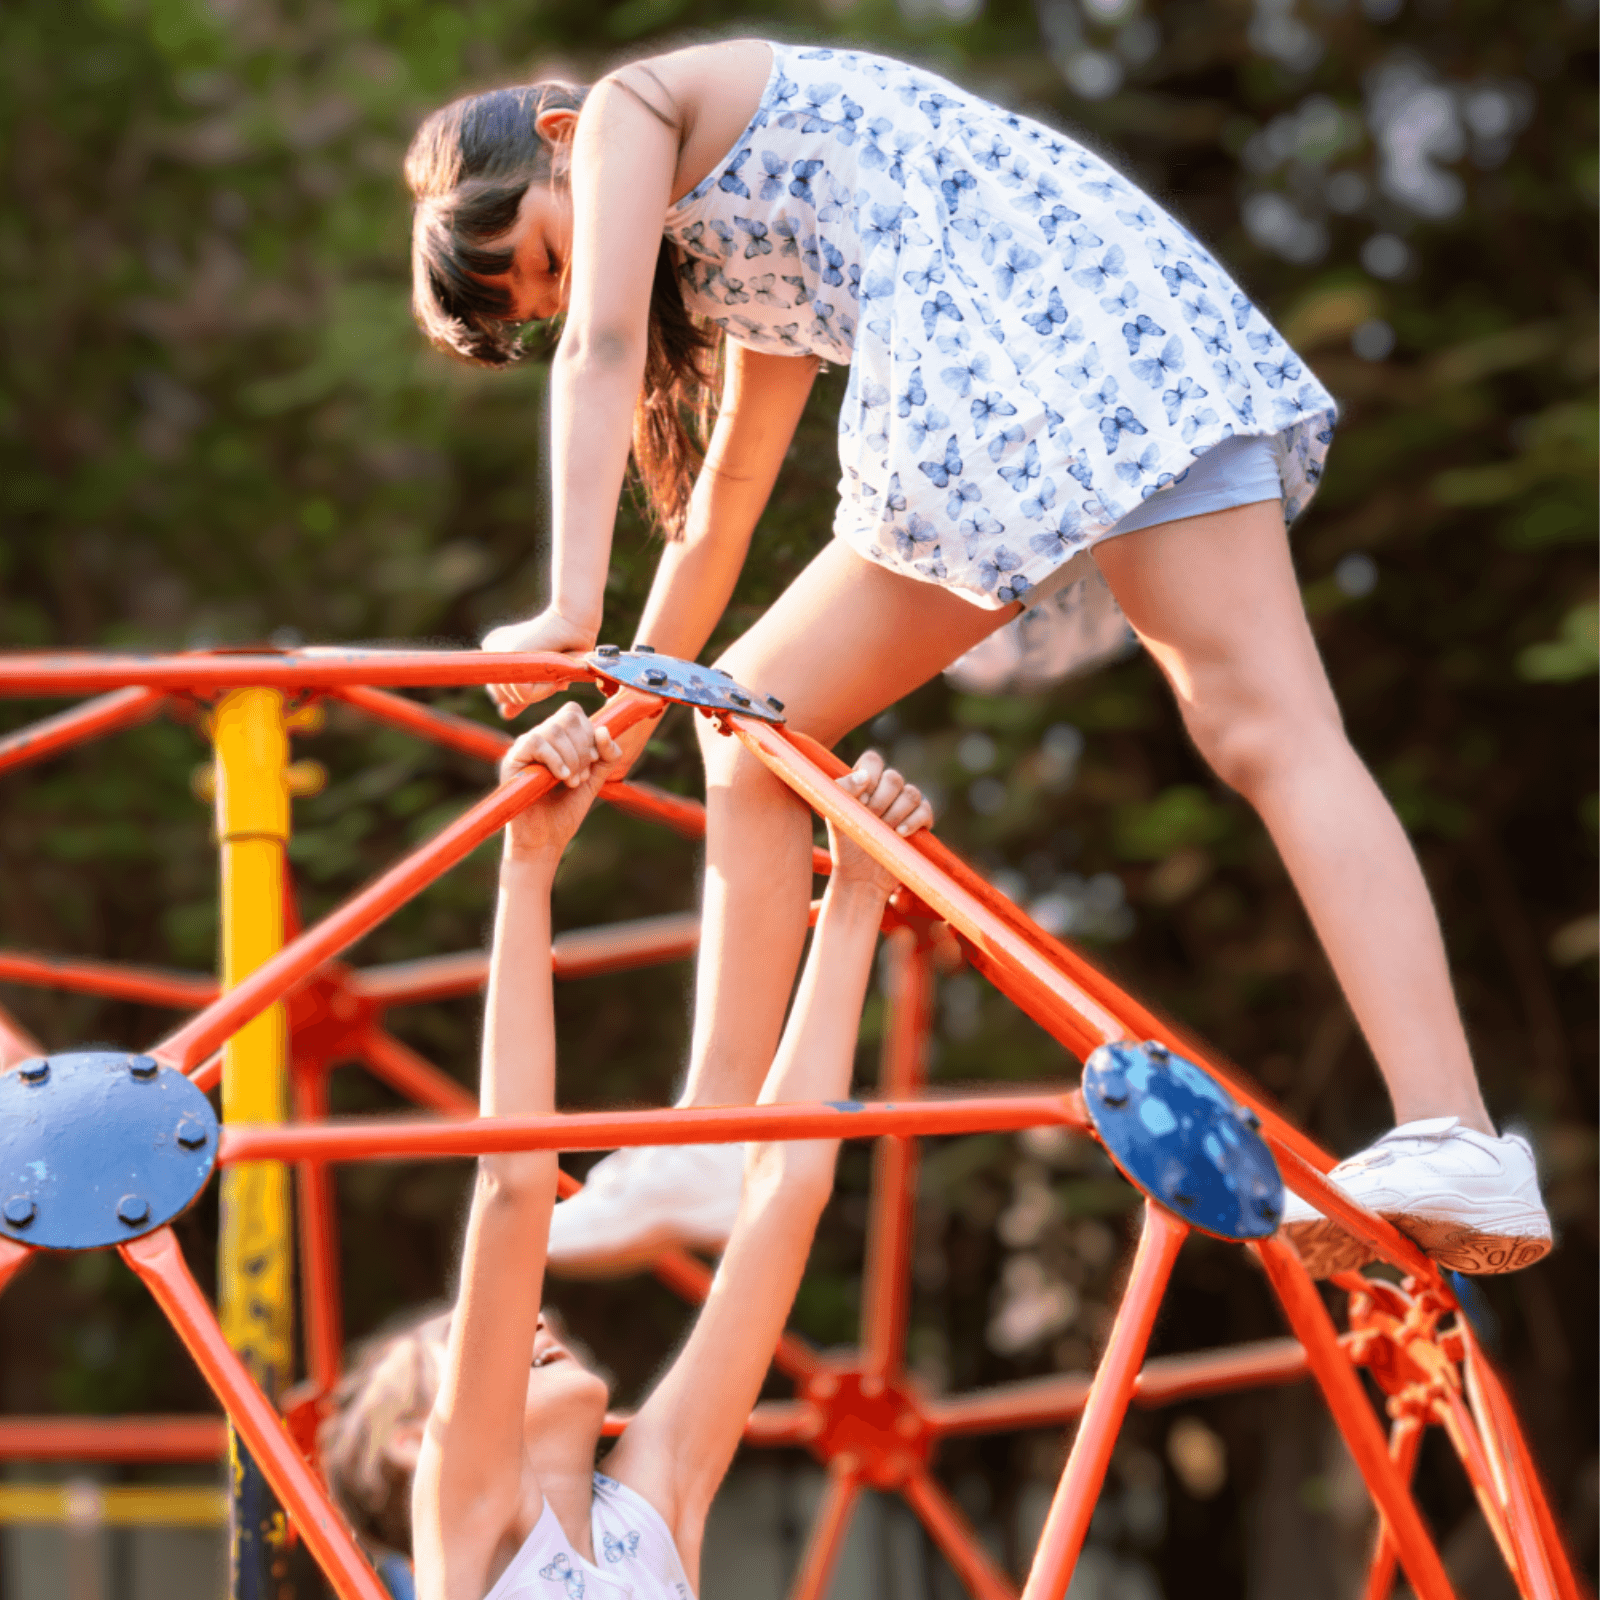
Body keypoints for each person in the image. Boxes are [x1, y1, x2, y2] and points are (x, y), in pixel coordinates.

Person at [403, 40, 1551, 1278]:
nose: (577, 290)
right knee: (1262, 729)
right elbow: (724, 499)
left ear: (561, 139)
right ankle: (1456, 1134)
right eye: (546, 297)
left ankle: (710, 1136)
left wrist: (566, 611)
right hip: (1128, 335)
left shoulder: (636, 107)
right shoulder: (742, 241)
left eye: (553, 259)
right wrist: (631, 699)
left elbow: (604, 349)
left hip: (1020, 349)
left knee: (752, 722)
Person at [318, 701, 933, 1595]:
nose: (532, 1317)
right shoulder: (474, 1531)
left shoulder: (651, 1510)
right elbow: (518, 1189)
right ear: (420, 1438)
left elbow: (783, 1190)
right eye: (465, 1339)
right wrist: (525, 866)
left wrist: (857, 892)